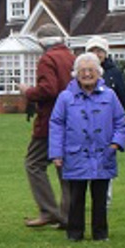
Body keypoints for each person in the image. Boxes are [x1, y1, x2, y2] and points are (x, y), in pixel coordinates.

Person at [49, 53, 125, 241]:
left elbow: (120, 121)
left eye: (91, 70)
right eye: (82, 71)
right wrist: (56, 153)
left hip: (104, 154)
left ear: (98, 73)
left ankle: (100, 233)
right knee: (76, 197)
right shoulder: (65, 97)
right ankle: (75, 233)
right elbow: (56, 125)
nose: (86, 74)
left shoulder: (109, 96)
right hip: (75, 154)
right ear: (75, 74)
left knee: (100, 197)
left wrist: (116, 143)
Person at [22, 25, 75, 228]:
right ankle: (69, 214)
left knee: (33, 163)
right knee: (65, 169)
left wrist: (28, 92)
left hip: (49, 121)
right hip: (71, 120)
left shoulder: (47, 59)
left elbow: (48, 89)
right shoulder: (70, 57)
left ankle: (48, 211)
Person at [85, 36, 125, 112]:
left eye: (99, 51)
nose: (95, 54)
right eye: (92, 51)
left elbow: (122, 99)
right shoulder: (81, 73)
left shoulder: (114, 72)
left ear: (105, 54)